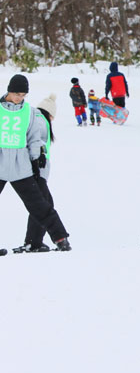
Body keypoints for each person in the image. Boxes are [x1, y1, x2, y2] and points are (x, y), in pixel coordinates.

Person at [1, 75, 72, 252]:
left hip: (21, 167)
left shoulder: (30, 112)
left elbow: (34, 138)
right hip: (0, 164)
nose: (19, 98)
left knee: (39, 204)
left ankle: (60, 238)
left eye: (23, 95)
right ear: (9, 91)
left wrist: (37, 158)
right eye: (17, 94)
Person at [13, 94, 62, 253]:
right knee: (42, 205)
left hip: (36, 170)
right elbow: (36, 143)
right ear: (50, 114)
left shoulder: (36, 117)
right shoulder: (41, 120)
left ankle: (34, 241)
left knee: (42, 204)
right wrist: (37, 161)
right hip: (36, 170)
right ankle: (34, 242)